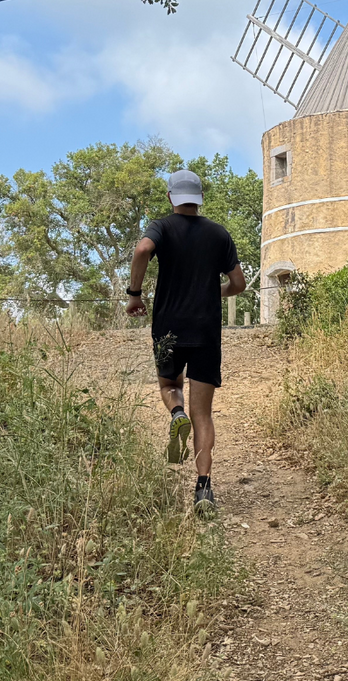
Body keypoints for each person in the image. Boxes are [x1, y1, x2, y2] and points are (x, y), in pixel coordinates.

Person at [125, 169, 247, 515]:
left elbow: (142, 249)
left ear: (170, 198)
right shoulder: (219, 234)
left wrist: (135, 295)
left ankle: (175, 411)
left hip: (169, 327)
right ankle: (204, 488)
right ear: (199, 198)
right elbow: (238, 283)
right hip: (206, 330)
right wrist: (215, 292)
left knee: (169, 384)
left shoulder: (161, 228)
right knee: (204, 414)